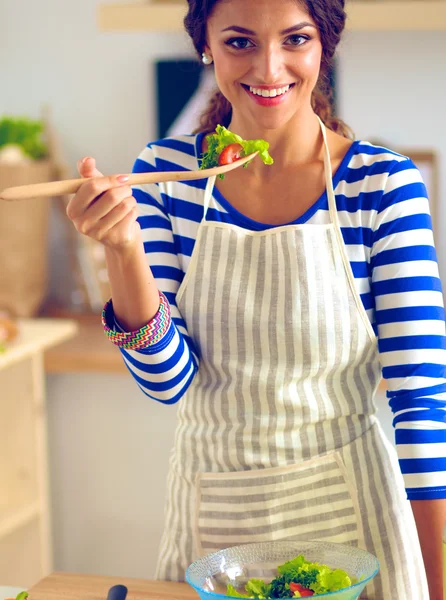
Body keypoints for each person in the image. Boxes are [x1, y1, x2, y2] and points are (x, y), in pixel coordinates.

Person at [66, 0, 446, 597]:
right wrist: (122, 246)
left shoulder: (381, 186)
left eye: (295, 40)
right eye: (241, 42)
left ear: (325, 44)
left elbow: (421, 404)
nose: (270, 69)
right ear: (206, 46)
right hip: (214, 534)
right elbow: (168, 383)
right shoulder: (165, 177)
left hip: (355, 527)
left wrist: (438, 582)